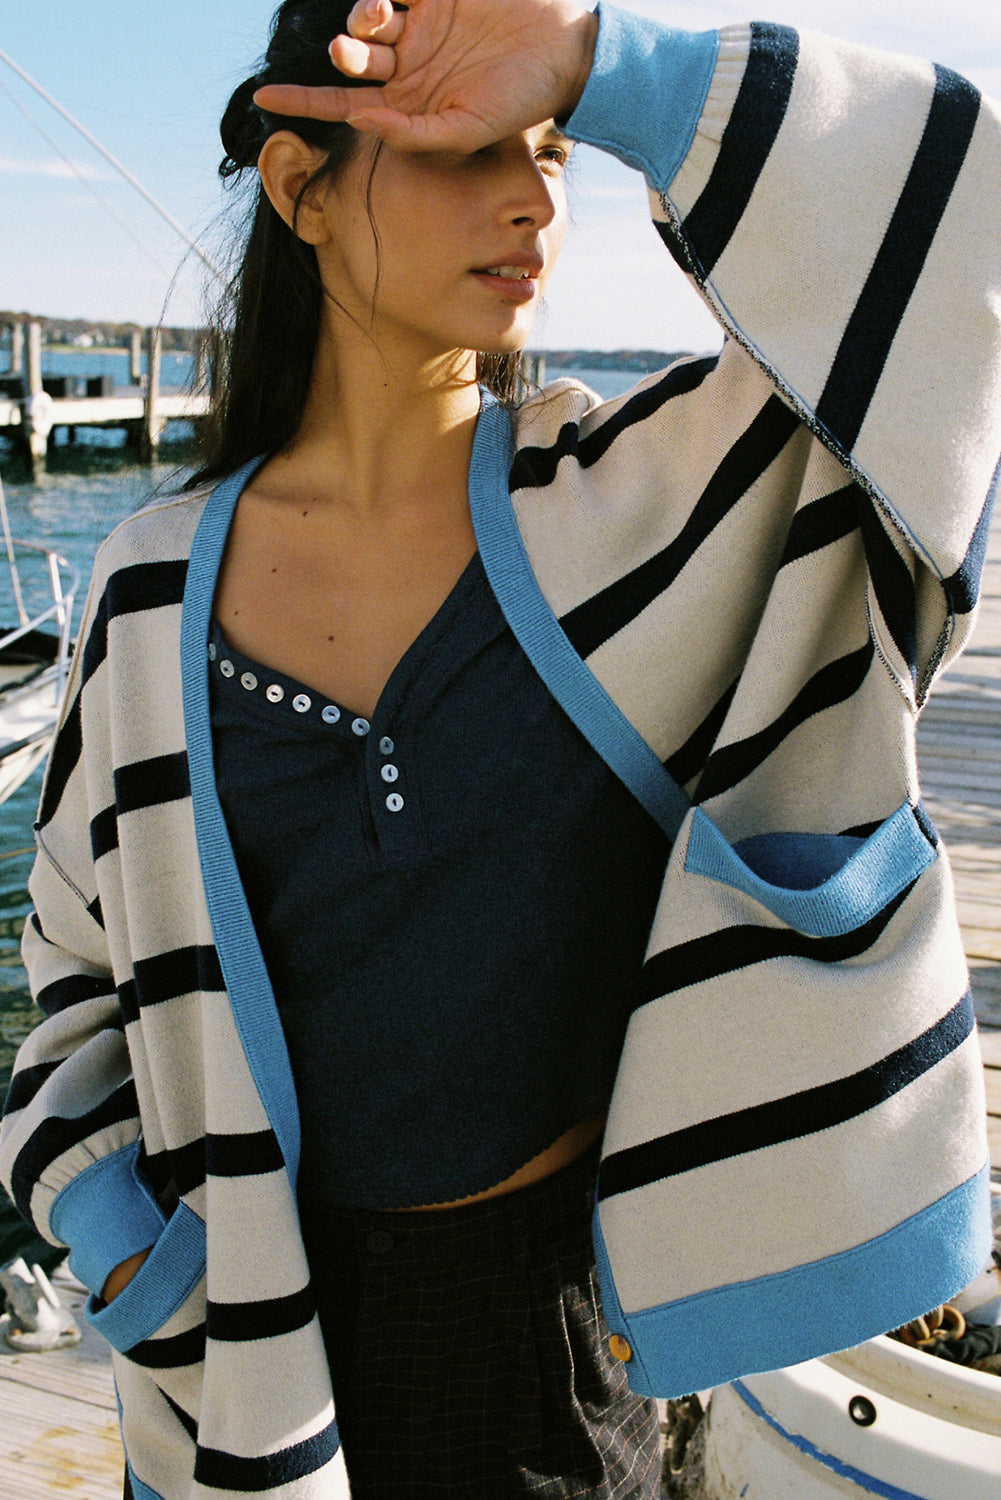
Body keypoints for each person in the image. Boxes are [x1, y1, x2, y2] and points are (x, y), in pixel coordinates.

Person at [1, 0, 998, 1495]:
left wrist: (607, 65)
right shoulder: (148, 586)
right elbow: (76, 969)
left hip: (558, 1363)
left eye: (549, 148)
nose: (535, 197)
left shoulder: (639, 509)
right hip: (243, 1362)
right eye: (466, 147)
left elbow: (962, 235)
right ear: (300, 188)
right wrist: (127, 1246)